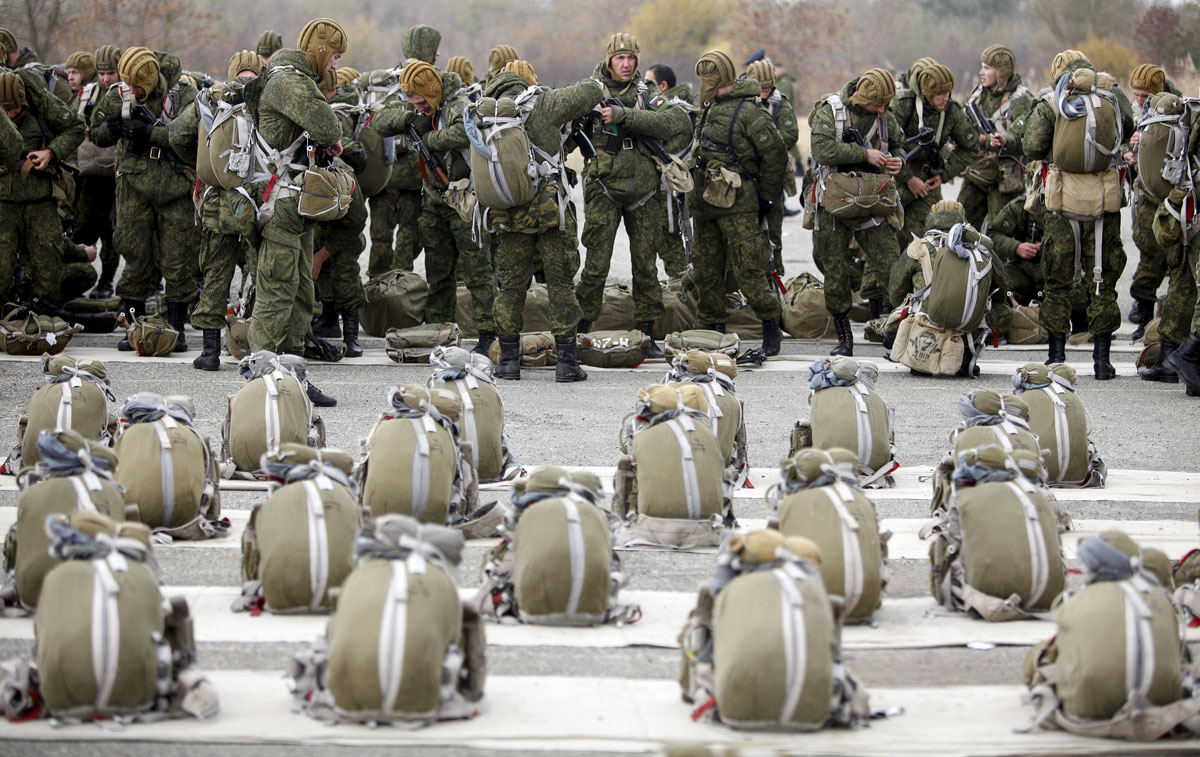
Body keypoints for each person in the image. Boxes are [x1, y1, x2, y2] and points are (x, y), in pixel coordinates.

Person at [245, 18, 347, 406]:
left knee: (301, 290)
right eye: (334, 56)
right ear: (321, 51)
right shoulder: (291, 81)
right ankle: (260, 382)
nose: (335, 65)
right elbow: (326, 123)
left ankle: (293, 379)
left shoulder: (294, 78)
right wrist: (332, 138)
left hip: (296, 200)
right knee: (276, 291)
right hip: (281, 199)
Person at [482, 60, 605, 382]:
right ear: (529, 83)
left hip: (508, 213)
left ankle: (508, 362)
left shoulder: (485, 113)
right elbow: (593, 90)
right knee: (561, 285)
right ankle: (566, 364)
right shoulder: (545, 102)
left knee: (510, 287)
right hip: (551, 211)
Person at [575, 33, 692, 356]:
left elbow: (672, 122)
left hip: (644, 190)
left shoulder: (646, 93)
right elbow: (566, 129)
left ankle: (648, 333)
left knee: (645, 266)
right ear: (609, 60)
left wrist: (626, 117)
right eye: (619, 58)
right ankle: (579, 330)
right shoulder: (590, 90)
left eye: (631, 58)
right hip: (603, 188)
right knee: (596, 265)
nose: (626, 64)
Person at [1022, 50, 1135, 378]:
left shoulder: (1050, 101)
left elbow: (1031, 146)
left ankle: (1056, 356)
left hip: (1061, 201)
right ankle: (1102, 361)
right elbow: (1126, 130)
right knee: (1103, 279)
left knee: (1057, 281)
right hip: (1104, 201)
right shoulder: (1111, 94)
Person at [89, 46, 198, 351]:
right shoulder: (120, 93)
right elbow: (95, 132)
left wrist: (151, 132)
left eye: (139, 87)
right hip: (134, 186)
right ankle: (134, 325)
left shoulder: (182, 94)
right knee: (135, 254)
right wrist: (113, 126)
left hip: (175, 186)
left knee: (178, 258)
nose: (133, 92)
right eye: (130, 86)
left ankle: (176, 327)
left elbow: (191, 135)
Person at [396, 59, 498, 355]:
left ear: (432, 93)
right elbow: (383, 123)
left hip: (464, 203)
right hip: (436, 202)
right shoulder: (427, 109)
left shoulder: (457, 104)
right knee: (438, 275)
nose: (417, 108)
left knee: (479, 273)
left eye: (420, 102)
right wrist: (410, 121)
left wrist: (428, 138)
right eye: (412, 103)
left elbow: (466, 133)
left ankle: (488, 336)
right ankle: (440, 334)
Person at [169, 50, 263, 371]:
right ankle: (252, 345)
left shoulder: (209, 98)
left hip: (216, 203)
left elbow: (177, 135)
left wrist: (204, 162)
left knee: (215, 274)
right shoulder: (266, 95)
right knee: (257, 273)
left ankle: (210, 352)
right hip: (252, 202)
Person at [689, 50, 787, 356]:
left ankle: (771, 327)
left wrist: (766, 198)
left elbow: (776, 156)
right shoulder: (708, 108)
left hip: (739, 203)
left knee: (748, 270)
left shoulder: (750, 112)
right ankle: (713, 330)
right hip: (705, 202)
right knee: (707, 269)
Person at [809, 67, 906, 356]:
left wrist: (898, 161)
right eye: (877, 104)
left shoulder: (885, 115)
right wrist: (865, 154)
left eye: (886, 105)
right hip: (835, 201)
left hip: (873, 201)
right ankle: (844, 339)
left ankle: (894, 331)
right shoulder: (832, 111)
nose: (882, 110)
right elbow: (821, 149)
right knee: (835, 271)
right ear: (861, 96)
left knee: (892, 266)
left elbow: (899, 144)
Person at [0, 71, 92, 305]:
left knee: (48, 267)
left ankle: (45, 318)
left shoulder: (40, 103)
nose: (12, 115)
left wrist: (50, 151)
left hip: (40, 198)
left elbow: (75, 128)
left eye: (17, 110)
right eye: (6, 111)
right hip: (4, 202)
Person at [890, 61, 979, 255]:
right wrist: (909, 179)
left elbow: (970, 147)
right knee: (888, 241)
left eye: (948, 93)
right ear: (927, 93)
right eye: (939, 95)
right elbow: (885, 146)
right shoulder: (903, 105)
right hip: (895, 180)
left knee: (930, 240)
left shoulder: (951, 112)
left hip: (927, 183)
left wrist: (944, 174)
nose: (944, 99)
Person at [1126, 63, 1182, 334]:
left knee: (1174, 256)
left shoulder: (1177, 110)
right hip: (1145, 193)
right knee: (1148, 251)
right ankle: (1145, 314)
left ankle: (1170, 319)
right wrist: (1131, 148)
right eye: (1135, 94)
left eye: (1144, 96)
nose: (1138, 100)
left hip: (1171, 195)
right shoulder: (1137, 112)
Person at [958, 45, 1034, 230]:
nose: (981, 72)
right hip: (977, 173)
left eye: (987, 67)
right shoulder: (976, 96)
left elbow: (1027, 138)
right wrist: (980, 140)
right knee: (960, 224)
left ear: (1001, 72)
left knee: (998, 232)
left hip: (1005, 179)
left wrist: (1005, 140)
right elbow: (959, 127)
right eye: (982, 66)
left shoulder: (1022, 100)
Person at [746, 58, 798, 279]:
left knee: (773, 233)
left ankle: (774, 275)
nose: (765, 93)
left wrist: (764, 144)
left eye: (768, 88)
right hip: (747, 176)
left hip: (772, 175)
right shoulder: (741, 103)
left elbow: (791, 134)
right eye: (761, 89)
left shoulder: (780, 103)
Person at [644, 62, 694, 279]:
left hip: (670, 189)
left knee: (670, 242)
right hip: (673, 188)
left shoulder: (674, 109)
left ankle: (682, 288)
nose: (645, 89)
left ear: (662, 86)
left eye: (649, 83)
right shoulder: (681, 105)